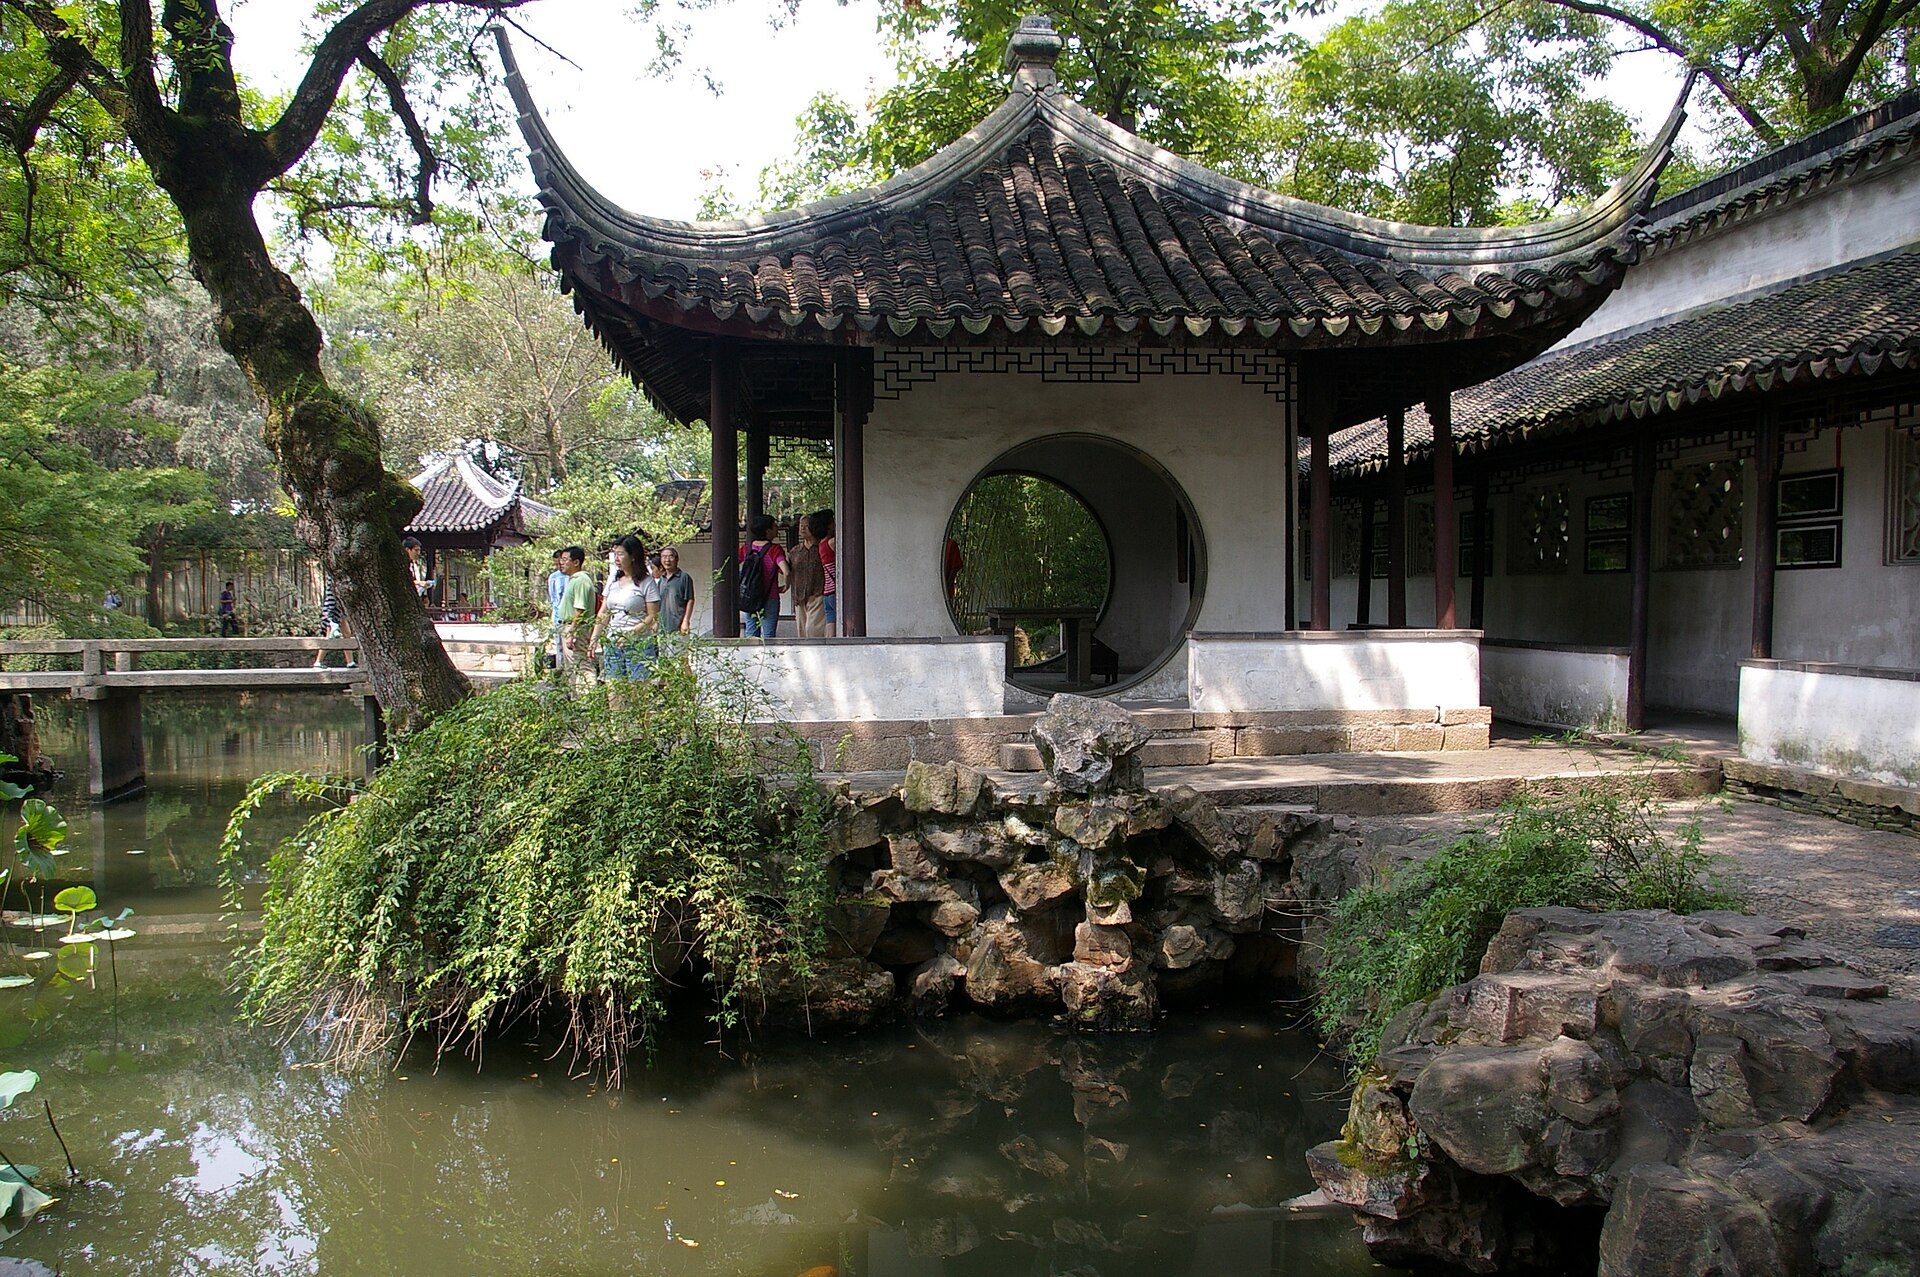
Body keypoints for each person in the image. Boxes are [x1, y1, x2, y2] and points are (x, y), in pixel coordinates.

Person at [588, 535, 652, 680]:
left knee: (637, 691)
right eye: (615, 554)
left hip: (638, 644)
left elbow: (652, 616)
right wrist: (594, 638)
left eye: (621, 554)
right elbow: (604, 613)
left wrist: (630, 633)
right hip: (613, 642)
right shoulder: (613, 581)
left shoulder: (646, 582)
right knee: (614, 688)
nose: (617, 558)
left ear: (633, 556)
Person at [737, 514, 787, 637]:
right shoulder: (775, 549)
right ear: (767, 531)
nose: (777, 528)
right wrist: (787, 585)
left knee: (751, 634)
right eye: (774, 526)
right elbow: (786, 570)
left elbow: (731, 566)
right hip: (770, 596)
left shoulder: (747, 548)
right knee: (769, 636)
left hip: (750, 596)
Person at [556, 545, 597, 668]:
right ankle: (576, 687)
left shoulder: (581, 581)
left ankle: (588, 687)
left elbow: (580, 609)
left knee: (581, 664)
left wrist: (572, 631)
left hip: (577, 628)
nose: (561, 563)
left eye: (564, 559)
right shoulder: (574, 580)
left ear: (576, 562)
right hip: (568, 626)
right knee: (572, 667)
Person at [788, 514, 827, 637]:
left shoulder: (821, 548)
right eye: (801, 526)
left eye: (806, 526)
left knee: (814, 631)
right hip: (799, 596)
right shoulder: (795, 551)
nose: (802, 529)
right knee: (802, 632)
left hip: (818, 593)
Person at [655, 545, 696, 640]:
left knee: (679, 654)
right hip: (663, 628)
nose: (667, 560)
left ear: (677, 559)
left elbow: (690, 600)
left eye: (670, 556)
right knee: (663, 654)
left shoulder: (684, 577)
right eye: (664, 557)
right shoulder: (661, 579)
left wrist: (686, 620)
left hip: (678, 626)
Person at [313, 576, 347, 668]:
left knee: (346, 634)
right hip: (332, 611)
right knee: (329, 636)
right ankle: (318, 661)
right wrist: (330, 616)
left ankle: (350, 662)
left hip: (340, 609)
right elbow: (331, 597)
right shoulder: (333, 576)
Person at [546, 549, 569, 669]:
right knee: (559, 645)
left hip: (570, 616)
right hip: (558, 615)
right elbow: (553, 598)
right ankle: (560, 671)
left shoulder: (572, 577)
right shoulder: (553, 577)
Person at [814, 509, 836, 632]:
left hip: (827, 592)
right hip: (834, 590)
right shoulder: (832, 542)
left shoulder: (821, 544)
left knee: (830, 622)